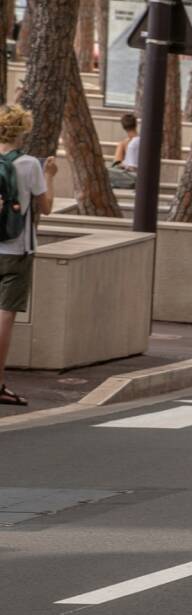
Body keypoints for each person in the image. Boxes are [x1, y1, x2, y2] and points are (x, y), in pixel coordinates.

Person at [0, 105, 57, 407]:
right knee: (5, 317)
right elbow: (45, 207)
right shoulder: (29, 165)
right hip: (17, 249)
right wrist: (50, 174)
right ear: (22, 131)